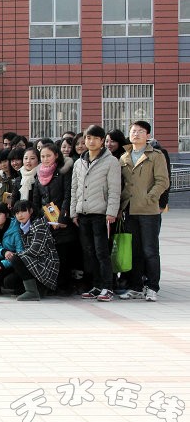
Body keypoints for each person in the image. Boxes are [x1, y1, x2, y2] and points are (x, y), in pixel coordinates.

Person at [119, 120, 170, 302]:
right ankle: (135, 286)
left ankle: (152, 287)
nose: (136, 134)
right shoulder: (124, 157)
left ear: (147, 135)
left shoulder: (156, 155)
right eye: (133, 131)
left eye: (141, 131)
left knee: (150, 250)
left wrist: (151, 198)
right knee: (135, 250)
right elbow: (123, 184)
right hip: (130, 210)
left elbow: (163, 181)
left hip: (149, 210)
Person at [70, 125, 121, 301]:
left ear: (101, 141)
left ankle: (108, 286)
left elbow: (115, 189)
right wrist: (73, 212)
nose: (90, 141)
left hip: (101, 214)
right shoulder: (79, 162)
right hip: (83, 214)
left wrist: (111, 212)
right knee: (89, 252)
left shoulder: (111, 161)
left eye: (94, 138)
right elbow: (74, 189)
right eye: (88, 138)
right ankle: (96, 285)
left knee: (102, 252)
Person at [33, 143, 78, 295]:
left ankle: (65, 285)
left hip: (62, 219)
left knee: (63, 254)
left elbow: (67, 195)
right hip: (47, 219)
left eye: (48, 156)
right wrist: (41, 216)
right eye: (43, 156)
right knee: (50, 254)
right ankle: (52, 284)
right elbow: (37, 199)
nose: (45, 159)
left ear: (56, 156)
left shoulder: (63, 172)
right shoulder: (38, 174)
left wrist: (63, 217)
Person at [3, 200, 60, 301]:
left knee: (15, 258)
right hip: (33, 262)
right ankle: (37, 289)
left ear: (31, 211)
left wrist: (16, 255)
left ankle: (33, 292)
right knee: (9, 281)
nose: (20, 215)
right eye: (17, 213)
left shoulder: (39, 225)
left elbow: (35, 251)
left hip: (45, 263)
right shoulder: (21, 227)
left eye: (23, 211)